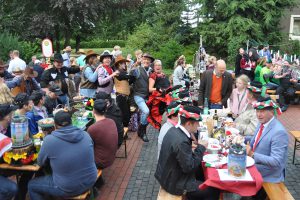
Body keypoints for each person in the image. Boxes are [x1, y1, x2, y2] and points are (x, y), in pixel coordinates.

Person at [28, 110, 97, 199]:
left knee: (32, 185)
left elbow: (40, 163)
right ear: (71, 122)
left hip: (69, 188)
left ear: (55, 126)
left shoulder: (49, 140)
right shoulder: (85, 134)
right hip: (91, 180)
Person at [155, 106, 220, 200]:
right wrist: (201, 147)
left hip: (168, 176)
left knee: (201, 170)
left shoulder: (173, 130)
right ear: (189, 124)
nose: (199, 126)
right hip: (174, 184)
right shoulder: (181, 141)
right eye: (197, 123)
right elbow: (189, 167)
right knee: (213, 189)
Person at [247, 97, 288, 184]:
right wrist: (242, 138)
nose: (258, 115)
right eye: (257, 111)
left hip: (268, 174)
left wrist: (252, 154)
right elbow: (257, 140)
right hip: (256, 165)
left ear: (272, 112)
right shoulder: (263, 122)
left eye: (262, 111)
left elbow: (276, 161)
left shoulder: (279, 132)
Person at [130, 53, 154, 142]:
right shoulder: (137, 70)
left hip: (148, 96)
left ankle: (141, 130)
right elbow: (130, 75)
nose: (146, 61)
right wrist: (135, 64)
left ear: (150, 62)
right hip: (138, 95)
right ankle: (142, 131)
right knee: (146, 111)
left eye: (148, 60)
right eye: (145, 59)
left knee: (151, 115)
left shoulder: (152, 71)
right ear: (142, 60)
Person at [88, 99, 118, 169]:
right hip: (111, 157)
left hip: (101, 162)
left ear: (93, 111)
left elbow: (87, 147)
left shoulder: (92, 128)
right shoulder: (111, 121)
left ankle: (96, 179)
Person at [147, 59, 171, 129]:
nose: (158, 66)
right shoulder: (153, 76)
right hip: (158, 102)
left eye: (159, 65)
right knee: (160, 120)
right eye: (156, 65)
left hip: (166, 100)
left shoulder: (163, 75)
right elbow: (150, 89)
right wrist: (158, 89)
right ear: (154, 67)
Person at [113, 55, 134, 127]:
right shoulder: (117, 72)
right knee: (124, 116)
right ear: (119, 64)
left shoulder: (123, 72)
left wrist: (131, 77)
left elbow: (129, 80)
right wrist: (131, 75)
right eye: (124, 63)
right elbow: (124, 76)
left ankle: (124, 133)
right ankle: (122, 134)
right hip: (121, 97)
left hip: (126, 97)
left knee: (127, 115)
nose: (125, 65)